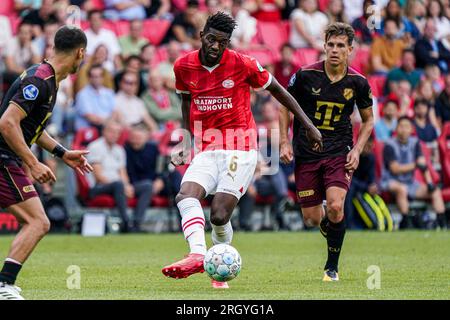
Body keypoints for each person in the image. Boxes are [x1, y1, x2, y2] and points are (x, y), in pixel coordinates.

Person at [161, 12, 322, 288]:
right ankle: (199, 255)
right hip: (207, 147)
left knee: (219, 215)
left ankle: (217, 271)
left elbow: (279, 91)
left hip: (241, 148)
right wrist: (187, 140)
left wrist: (306, 125)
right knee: (185, 194)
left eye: (222, 42)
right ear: (202, 35)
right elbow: (186, 102)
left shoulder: (242, 63)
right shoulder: (183, 66)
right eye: (211, 39)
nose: (215, 46)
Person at [0, 26, 92, 300]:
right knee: (38, 222)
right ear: (80, 52)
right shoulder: (39, 81)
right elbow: (7, 123)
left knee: (37, 221)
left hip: (8, 157)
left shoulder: (48, 79)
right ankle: (4, 285)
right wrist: (33, 163)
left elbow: (31, 128)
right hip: (3, 158)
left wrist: (62, 153)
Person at [280, 22, 374, 281]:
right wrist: (284, 141)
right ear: (324, 46)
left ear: (350, 49)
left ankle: (331, 268)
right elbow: (283, 106)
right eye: (330, 45)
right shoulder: (305, 75)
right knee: (311, 219)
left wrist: (356, 149)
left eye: (340, 46)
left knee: (335, 206)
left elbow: (368, 120)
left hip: (338, 151)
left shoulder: (358, 82)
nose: (334, 50)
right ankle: (331, 226)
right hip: (306, 152)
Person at [380, 116, 447, 230]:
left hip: (411, 183)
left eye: (407, 127)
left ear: (411, 129)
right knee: (402, 189)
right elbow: (395, 169)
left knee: (435, 190)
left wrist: (429, 183)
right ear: (396, 128)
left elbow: (422, 165)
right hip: (391, 181)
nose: (404, 129)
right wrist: (415, 165)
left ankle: (442, 223)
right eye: (401, 126)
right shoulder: (389, 145)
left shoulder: (415, 142)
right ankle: (406, 221)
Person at [74, 64, 116, 131]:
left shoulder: (109, 93)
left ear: (103, 77)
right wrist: (108, 123)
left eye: (99, 76)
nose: (97, 79)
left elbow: (115, 112)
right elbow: (90, 118)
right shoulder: (82, 94)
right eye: (94, 76)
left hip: (107, 128)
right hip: (89, 130)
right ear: (89, 78)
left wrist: (110, 123)